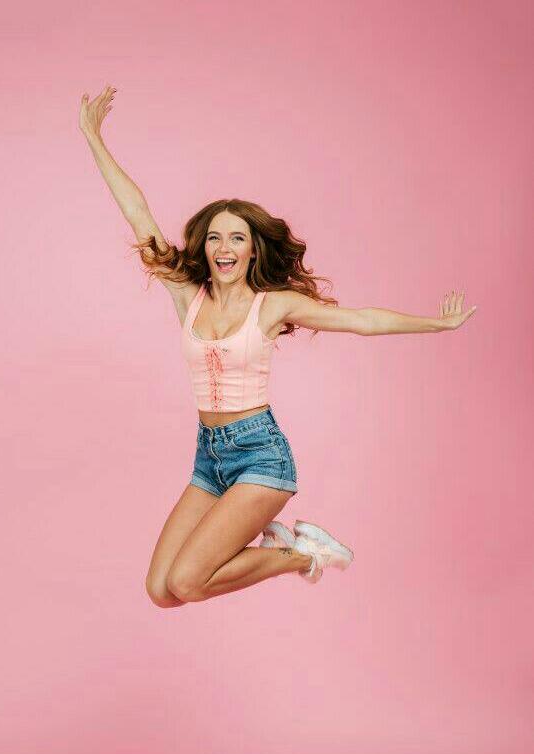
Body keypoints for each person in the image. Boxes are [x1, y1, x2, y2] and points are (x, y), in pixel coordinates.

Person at [79, 85, 477, 607]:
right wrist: (92, 136)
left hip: (261, 456)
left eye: (237, 238)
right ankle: (290, 547)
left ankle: (303, 555)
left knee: (187, 581)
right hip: (209, 456)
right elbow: (138, 213)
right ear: (204, 246)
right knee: (162, 591)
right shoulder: (188, 297)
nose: (224, 247)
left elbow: (360, 321)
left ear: (252, 250)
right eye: (215, 237)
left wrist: (436, 325)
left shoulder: (272, 306)